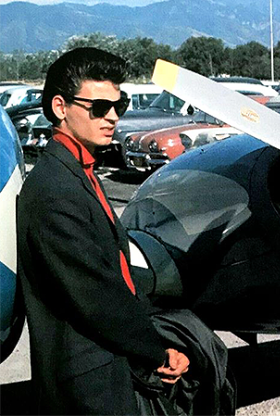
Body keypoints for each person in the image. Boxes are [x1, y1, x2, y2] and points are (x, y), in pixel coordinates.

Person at [17, 47, 190, 416]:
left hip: (107, 370)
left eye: (119, 105)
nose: (112, 117)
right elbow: (95, 295)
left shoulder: (79, 173)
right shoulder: (54, 191)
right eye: (98, 108)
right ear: (60, 108)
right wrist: (157, 351)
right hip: (87, 384)